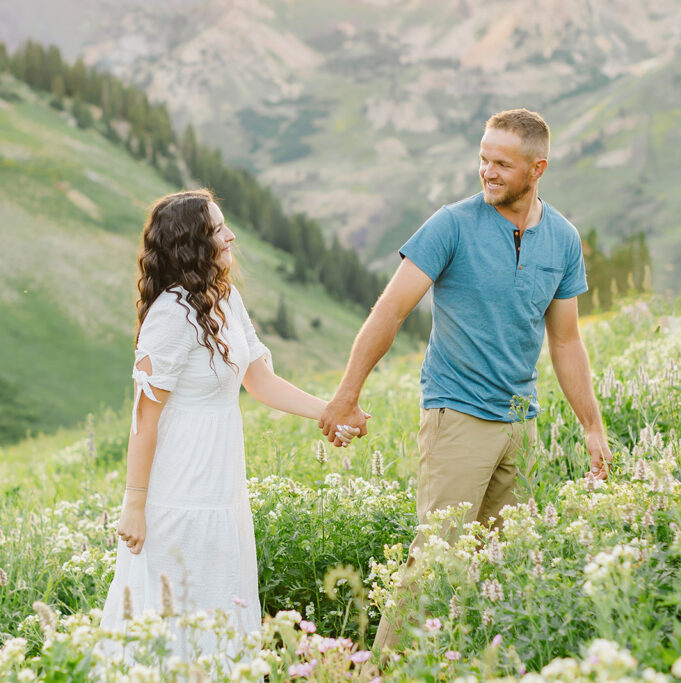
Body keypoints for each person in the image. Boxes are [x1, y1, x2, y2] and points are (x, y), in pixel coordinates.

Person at [318, 109, 613, 655]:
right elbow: (390, 311)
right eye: (483, 159)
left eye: (502, 163)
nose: (487, 172)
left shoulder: (563, 240)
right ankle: (382, 670)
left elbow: (567, 341)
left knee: (504, 568)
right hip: (457, 416)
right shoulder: (451, 224)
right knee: (435, 561)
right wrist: (346, 394)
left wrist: (591, 426)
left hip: (520, 427)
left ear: (537, 168)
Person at [99, 189, 357, 651]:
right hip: (179, 490)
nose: (230, 236)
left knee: (219, 601)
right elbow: (144, 420)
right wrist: (134, 505)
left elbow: (260, 381)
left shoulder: (224, 298)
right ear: (192, 243)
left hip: (221, 484)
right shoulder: (170, 315)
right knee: (176, 611)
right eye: (219, 229)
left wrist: (330, 412)